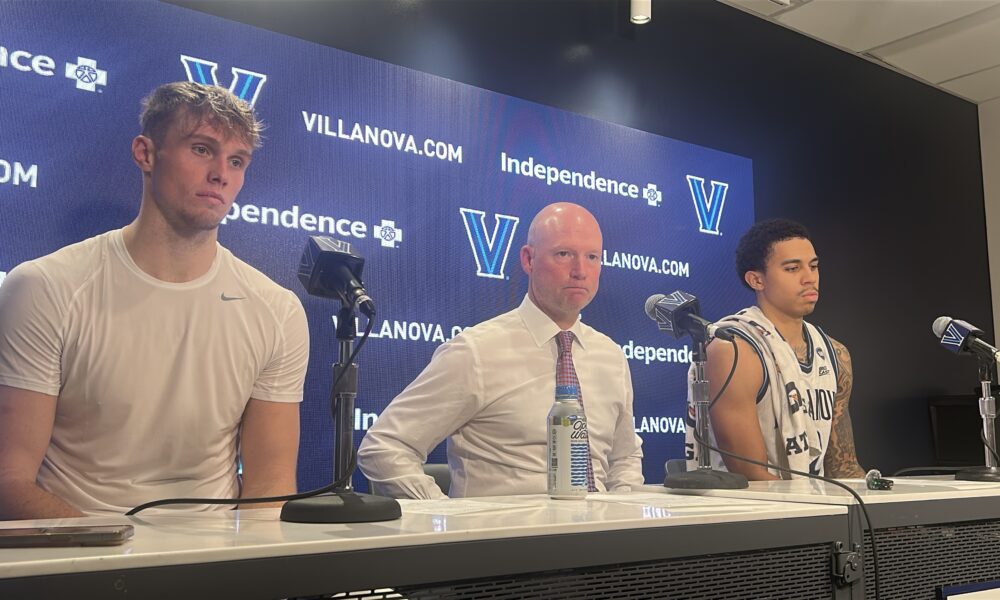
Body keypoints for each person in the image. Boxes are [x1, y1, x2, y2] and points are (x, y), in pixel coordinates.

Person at [0, 82, 309, 518]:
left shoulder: (277, 310)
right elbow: (9, 482)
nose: (221, 173)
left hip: (214, 571)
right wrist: (127, 564)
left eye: (237, 161)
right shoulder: (45, 287)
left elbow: (269, 488)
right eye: (202, 150)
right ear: (146, 153)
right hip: (81, 562)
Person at [358, 202, 644, 499]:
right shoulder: (476, 352)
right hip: (505, 540)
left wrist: (623, 510)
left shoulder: (610, 356)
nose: (580, 271)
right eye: (564, 254)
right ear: (528, 259)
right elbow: (384, 447)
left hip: (602, 537)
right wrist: (443, 516)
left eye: (592, 257)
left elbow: (623, 458)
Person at [686, 219, 864, 480]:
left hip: (819, 509)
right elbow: (752, 476)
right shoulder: (733, 349)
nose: (809, 278)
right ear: (756, 279)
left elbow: (844, 467)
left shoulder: (836, 354)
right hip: (758, 515)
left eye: (813, 266)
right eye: (792, 269)